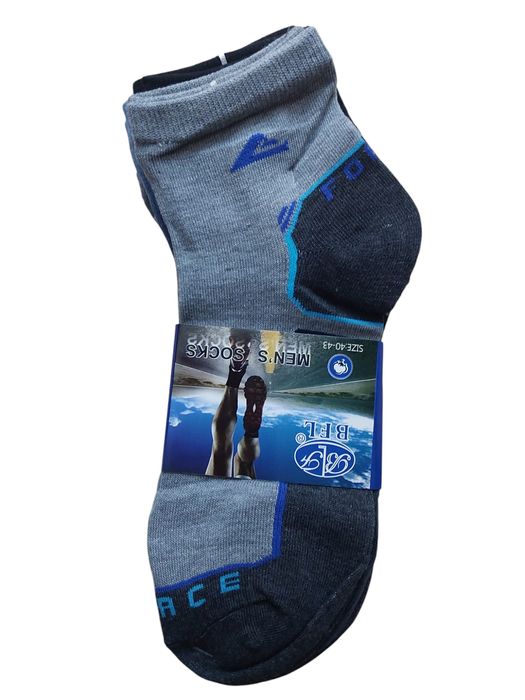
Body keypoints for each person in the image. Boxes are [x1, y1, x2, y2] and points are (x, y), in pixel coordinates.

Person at [205, 331, 267, 479]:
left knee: (244, 462)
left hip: (246, 491)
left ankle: (251, 436)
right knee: (220, 448)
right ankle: (235, 371)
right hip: (213, 492)